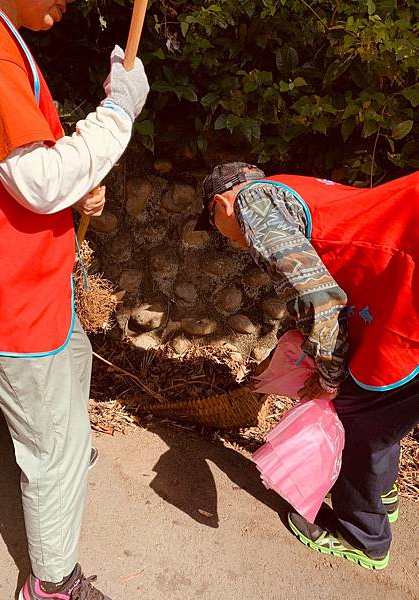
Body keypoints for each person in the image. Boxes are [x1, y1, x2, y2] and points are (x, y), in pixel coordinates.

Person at [0, 0, 149, 598]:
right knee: (52, 448)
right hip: (12, 297)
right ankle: (50, 583)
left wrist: (75, 190)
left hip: (36, 282)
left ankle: (68, 459)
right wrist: (117, 112)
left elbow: (22, 174)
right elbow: (39, 180)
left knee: (74, 362)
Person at [195, 162, 419, 570]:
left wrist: (328, 378)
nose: (225, 238)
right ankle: (381, 495)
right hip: (398, 278)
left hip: (407, 288)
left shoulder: (252, 201)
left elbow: (319, 298)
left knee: (356, 411)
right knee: (382, 402)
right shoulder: (292, 186)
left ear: (219, 204)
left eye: (215, 226)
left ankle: (363, 538)